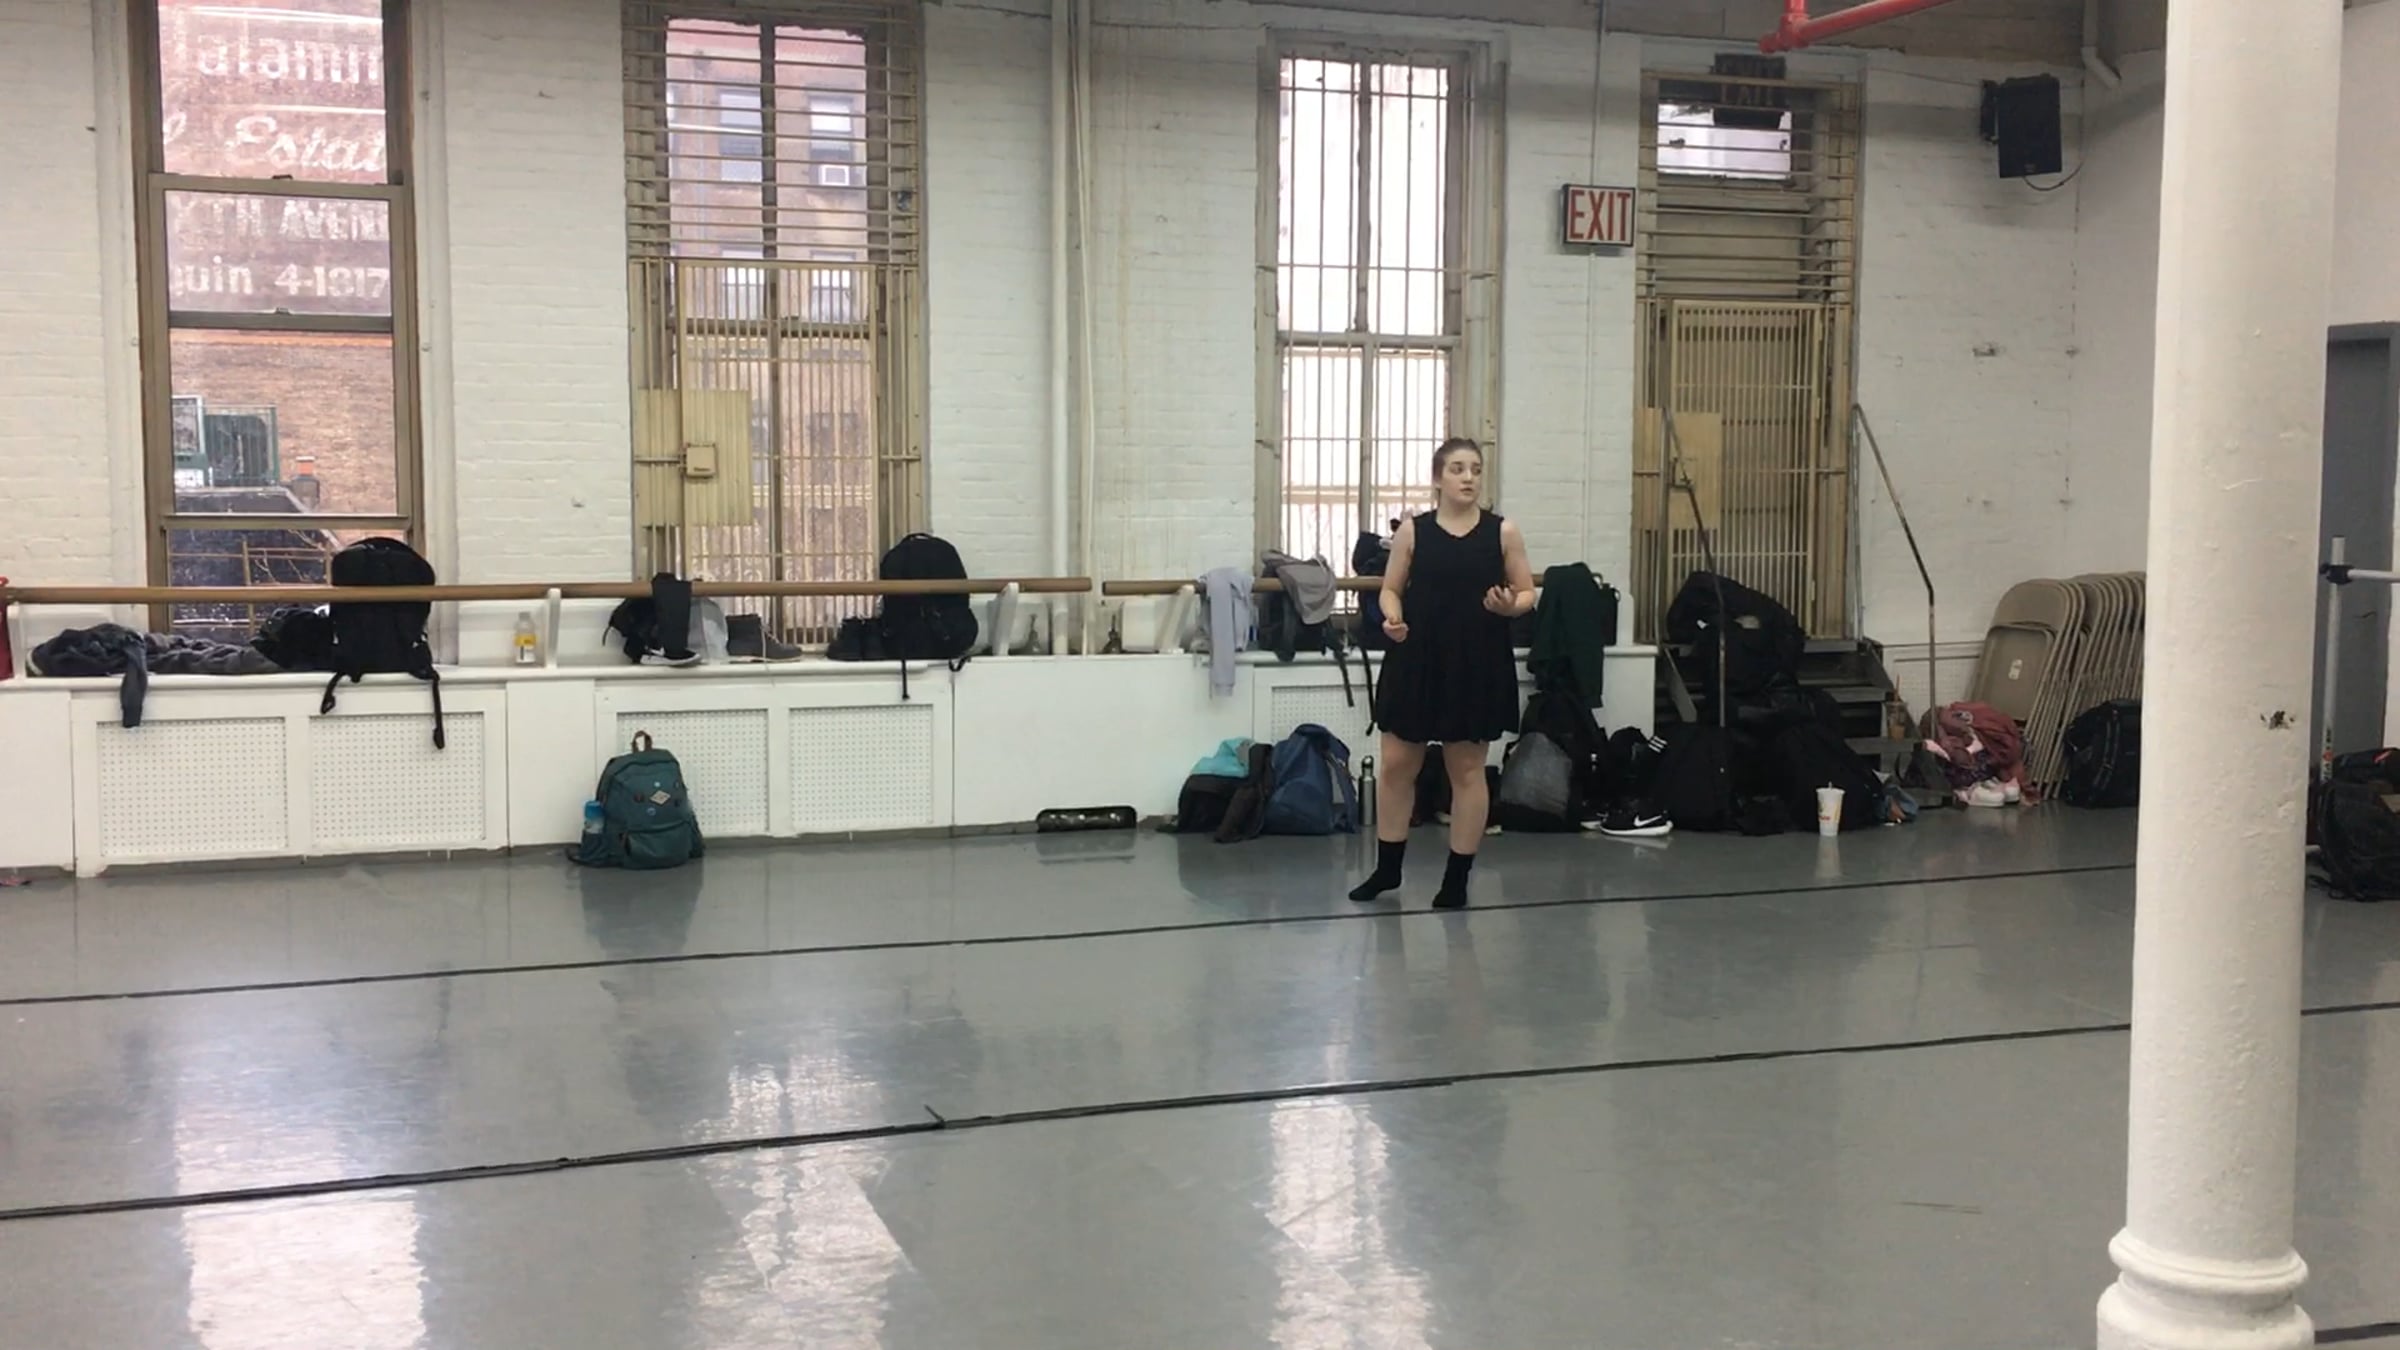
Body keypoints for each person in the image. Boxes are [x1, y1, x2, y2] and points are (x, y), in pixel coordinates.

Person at [1349, 437, 1536, 909]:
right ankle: (1388, 869)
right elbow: (1390, 589)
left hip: (1476, 659)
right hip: (1417, 655)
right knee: (1396, 764)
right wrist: (1391, 617)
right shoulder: (1413, 531)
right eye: (1457, 469)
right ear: (1438, 478)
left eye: (1475, 469)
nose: (1468, 477)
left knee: (1467, 770)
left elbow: (1526, 591)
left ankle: (1456, 877)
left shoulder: (1503, 532)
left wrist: (1510, 605)